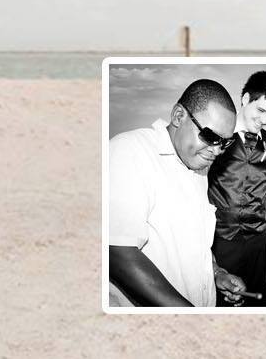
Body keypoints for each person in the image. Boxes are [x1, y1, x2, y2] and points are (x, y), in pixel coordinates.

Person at [106, 79, 249, 307]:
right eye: (211, 137)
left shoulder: (197, 165)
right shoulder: (129, 150)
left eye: (225, 142)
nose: (217, 151)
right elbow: (117, 251)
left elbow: (192, 242)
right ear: (179, 116)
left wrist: (216, 273)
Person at [207, 70, 266, 306]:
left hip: (258, 244)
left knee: (255, 304)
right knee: (222, 304)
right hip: (220, 241)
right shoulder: (216, 139)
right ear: (245, 100)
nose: (265, 120)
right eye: (261, 110)